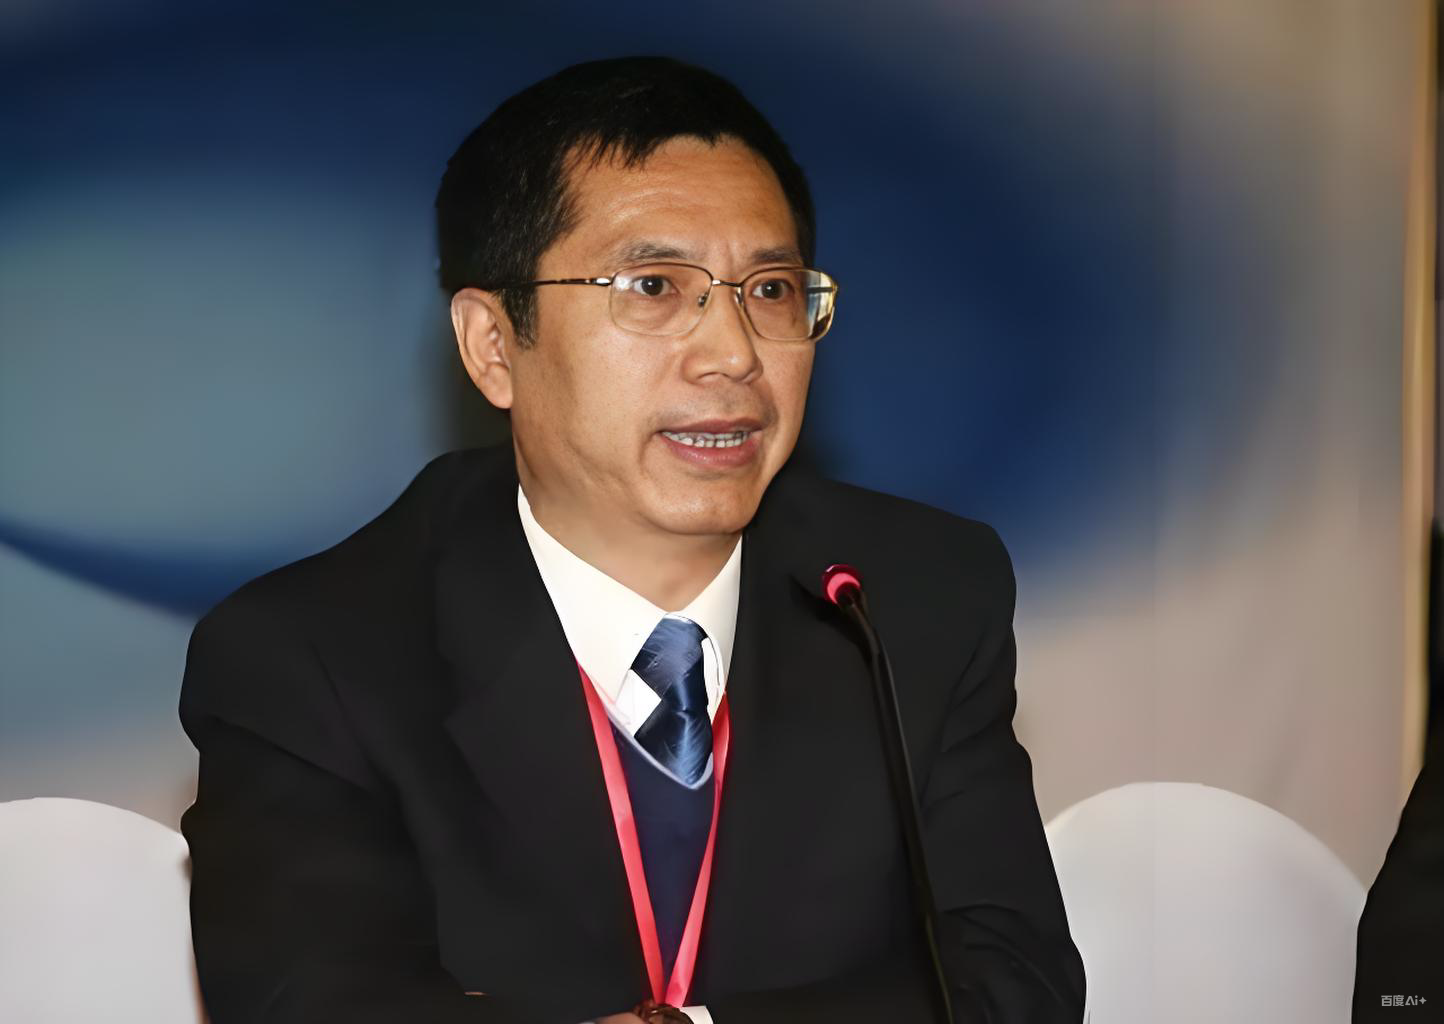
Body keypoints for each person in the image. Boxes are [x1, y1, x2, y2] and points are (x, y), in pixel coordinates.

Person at [179, 56, 1086, 1024]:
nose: (734, 354)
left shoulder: (915, 598)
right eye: (653, 285)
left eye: (771, 289)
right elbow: (313, 1003)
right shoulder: (309, 656)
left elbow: (1010, 984)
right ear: (494, 345)